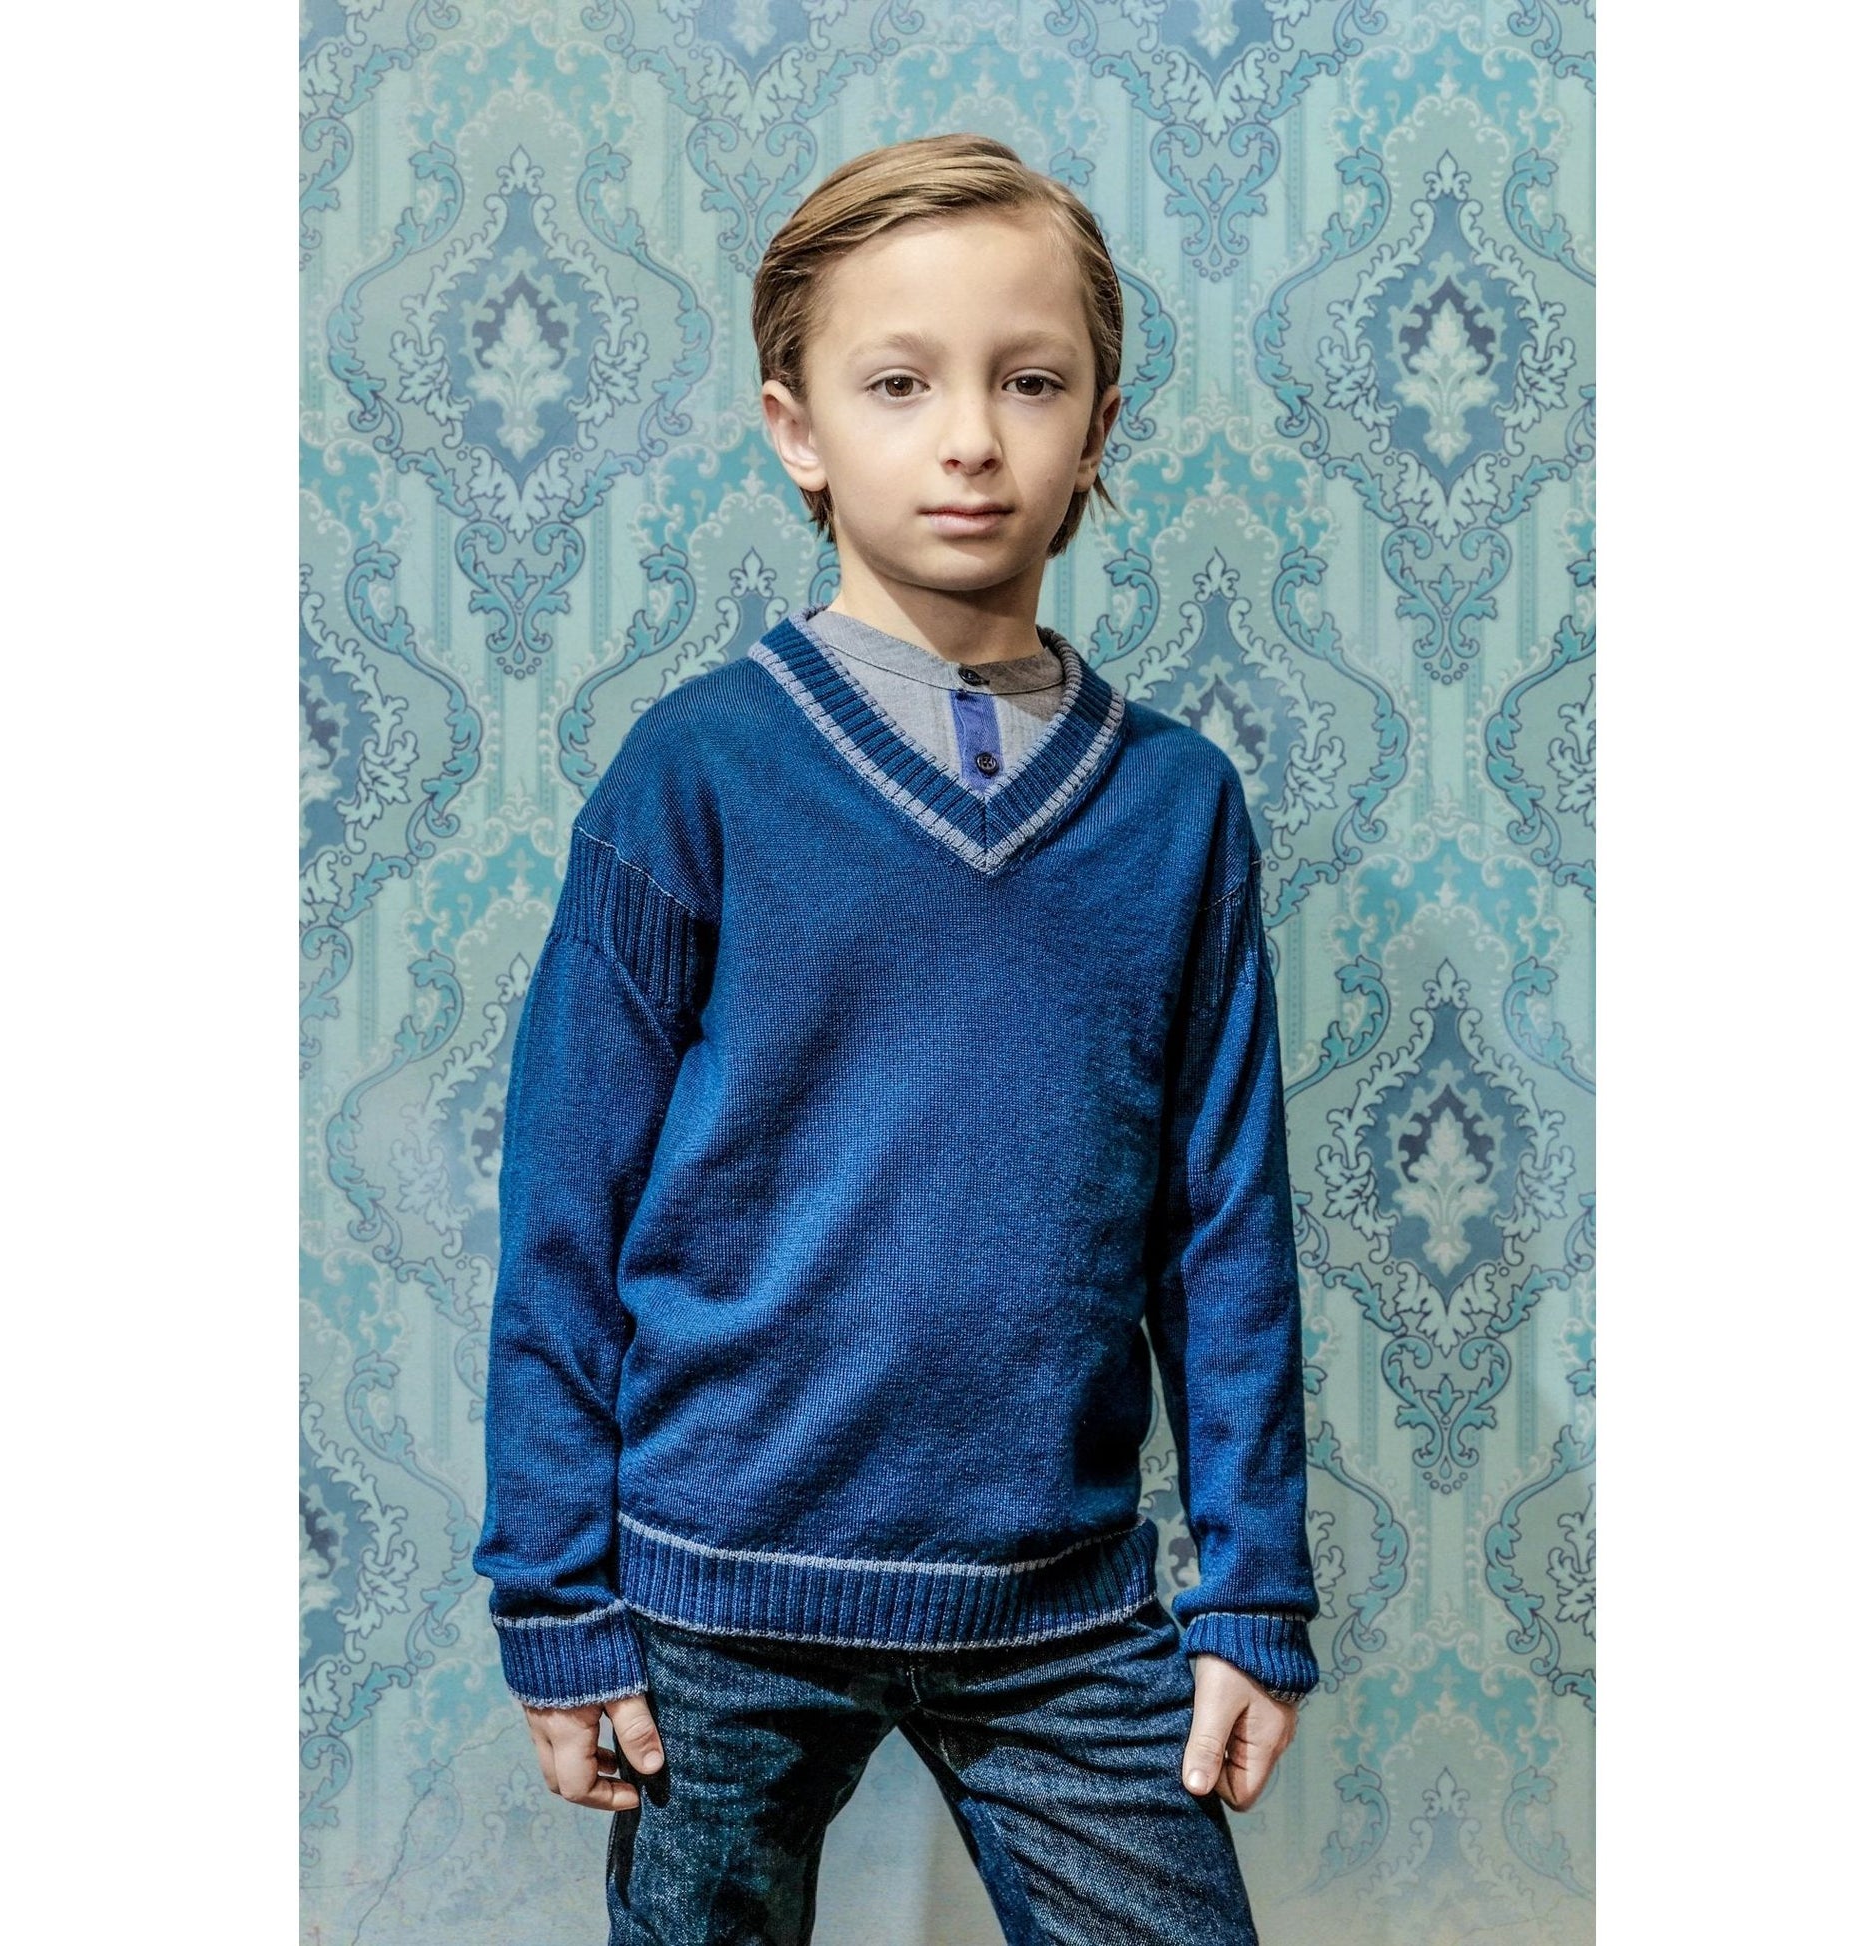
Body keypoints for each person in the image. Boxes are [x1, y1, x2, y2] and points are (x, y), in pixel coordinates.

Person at [471, 131, 1320, 1946]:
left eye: (1030, 382)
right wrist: (554, 1596)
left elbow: (1224, 1225)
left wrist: (1254, 1589)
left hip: (1060, 1597)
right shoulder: (696, 773)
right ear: (796, 430)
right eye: (899, 383)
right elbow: (562, 1209)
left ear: (1098, 426)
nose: (970, 439)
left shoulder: (1176, 808)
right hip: (715, 1592)